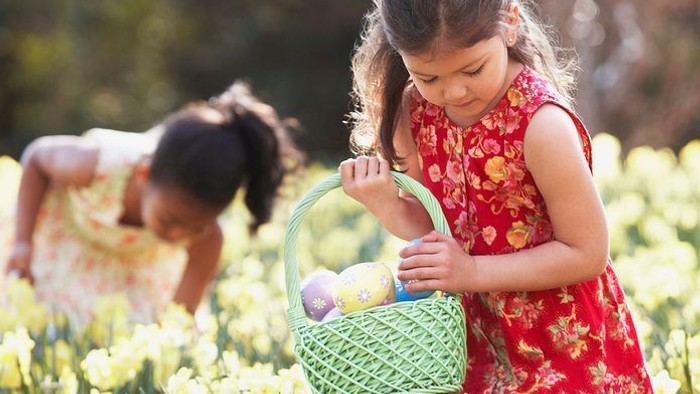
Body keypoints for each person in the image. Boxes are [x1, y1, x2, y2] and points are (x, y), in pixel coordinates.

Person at [339, 0, 653, 392]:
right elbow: (436, 227)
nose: (453, 91)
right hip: (474, 340)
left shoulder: (541, 125)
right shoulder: (414, 112)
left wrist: (470, 273)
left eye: (472, 69)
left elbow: (587, 252)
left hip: (560, 341)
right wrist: (385, 204)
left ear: (509, 22)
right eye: (427, 76)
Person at [2, 81, 302, 328]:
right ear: (144, 175)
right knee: (32, 322)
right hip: (62, 248)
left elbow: (176, 323)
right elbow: (37, 158)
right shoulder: (96, 164)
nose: (178, 235)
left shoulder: (208, 240)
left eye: (197, 227)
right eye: (171, 220)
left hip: (132, 275)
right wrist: (22, 243)